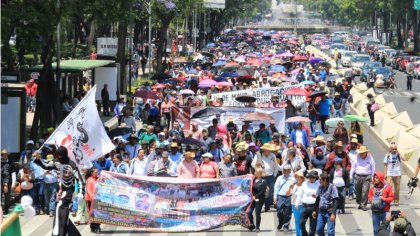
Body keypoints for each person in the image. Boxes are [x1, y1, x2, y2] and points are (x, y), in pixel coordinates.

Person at [33, 147, 83, 236]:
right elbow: (46, 165)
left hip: (68, 190)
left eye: (61, 155)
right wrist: (38, 158)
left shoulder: (72, 165)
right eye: (58, 155)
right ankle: (69, 233)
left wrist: (80, 192)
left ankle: (60, 233)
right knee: (59, 211)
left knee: (61, 208)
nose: (60, 157)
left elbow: (79, 179)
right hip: (59, 190)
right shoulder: (56, 162)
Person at [252, 143, 279, 212]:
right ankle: (260, 206)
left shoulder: (272, 155)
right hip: (262, 176)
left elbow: (275, 165)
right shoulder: (258, 154)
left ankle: (267, 206)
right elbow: (252, 164)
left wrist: (274, 174)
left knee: (270, 192)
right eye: (266, 149)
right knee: (261, 192)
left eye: (269, 149)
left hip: (270, 176)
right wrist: (257, 165)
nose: (267, 150)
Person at [350, 146, 375, 211]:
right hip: (358, 176)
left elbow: (373, 168)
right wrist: (350, 175)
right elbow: (353, 167)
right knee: (357, 191)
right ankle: (360, 203)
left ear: (366, 152)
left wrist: (373, 177)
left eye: (362, 153)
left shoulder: (370, 158)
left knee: (365, 190)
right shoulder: (357, 157)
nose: (361, 154)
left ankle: (363, 204)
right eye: (360, 153)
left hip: (367, 176)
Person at [368, 171, 394, 236]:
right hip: (375, 212)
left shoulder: (388, 187)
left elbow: (391, 198)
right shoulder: (372, 188)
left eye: (377, 178)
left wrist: (384, 199)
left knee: (387, 229)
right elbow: (369, 196)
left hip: (385, 211)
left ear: (380, 178)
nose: (375, 179)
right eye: (374, 178)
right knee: (376, 229)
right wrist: (372, 200)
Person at [298, 170, 320, 236]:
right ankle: (304, 234)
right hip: (304, 206)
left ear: (316, 178)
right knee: (301, 223)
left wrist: (316, 196)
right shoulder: (304, 183)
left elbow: (321, 195)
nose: (311, 179)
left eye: (313, 177)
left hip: (314, 207)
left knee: (313, 225)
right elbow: (300, 194)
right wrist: (297, 202)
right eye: (310, 177)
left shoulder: (318, 184)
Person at [274, 164, 295, 232]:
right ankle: (280, 222)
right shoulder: (279, 178)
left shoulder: (293, 179)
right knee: (279, 211)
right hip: (280, 196)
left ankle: (286, 225)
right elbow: (276, 188)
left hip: (289, 197)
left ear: (290, 171)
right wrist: (275, 197)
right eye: (284, 170)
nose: (285, 171)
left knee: (288, 212)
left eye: (287, 170)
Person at [247, 168, 267, 232]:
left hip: (259, 199)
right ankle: (252, 224)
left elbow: (262, 191)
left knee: (257, 213)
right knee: (249, 212)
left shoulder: (264, 181)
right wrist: (252, 196)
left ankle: (257, 227)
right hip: (252, 198)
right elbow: (250, 188)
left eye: (256, 172)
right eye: (255, 172)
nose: (255, 173)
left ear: (260, 174)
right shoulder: (253, 180)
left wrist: (255, 196)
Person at [85, 167, 101, 233]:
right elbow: (88, 190)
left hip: (98, 199)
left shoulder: (98, 178)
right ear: (91, 173)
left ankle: (96, 226)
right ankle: (94, 227)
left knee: (98, 214)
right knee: (93, 214)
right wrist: (93, 197)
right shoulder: (89, 180)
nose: (97, 173)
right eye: (96, 172)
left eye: (97, 172)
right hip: (91, 199)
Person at [1, 149, 16, 215]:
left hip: (8, 182)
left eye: (6, 154)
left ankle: (6, 209)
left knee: (7, 197)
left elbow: (13, 173)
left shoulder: (10, 163)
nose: (5, 156)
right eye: (4, 154)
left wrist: (13, 183)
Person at [292, 171, 305, 236]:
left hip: (301, 205)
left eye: (299, 177)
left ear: (302, 178)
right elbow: (289, 194)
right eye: (296, 177)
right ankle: (298, 234)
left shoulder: (305, 185)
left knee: (301, 221)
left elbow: (300, 195)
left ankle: (303, 233)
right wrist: (290, 188)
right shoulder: (294, 185)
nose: (297, 178)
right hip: (294, 204)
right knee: (297, 220)